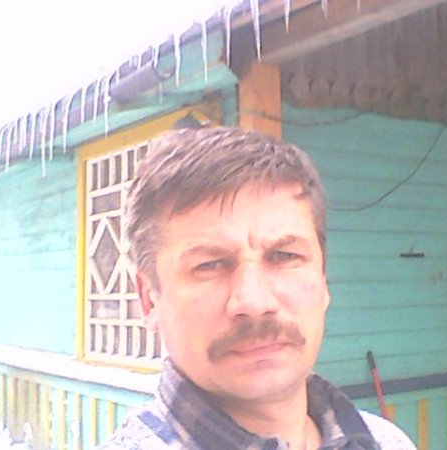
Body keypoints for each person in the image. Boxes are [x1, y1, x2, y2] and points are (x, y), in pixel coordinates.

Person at [98, 127, 416, 450]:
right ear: (149, 299)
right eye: (210, 265)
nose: (254, 301)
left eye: (285, 256)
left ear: (323, 281)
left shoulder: (388, 442)